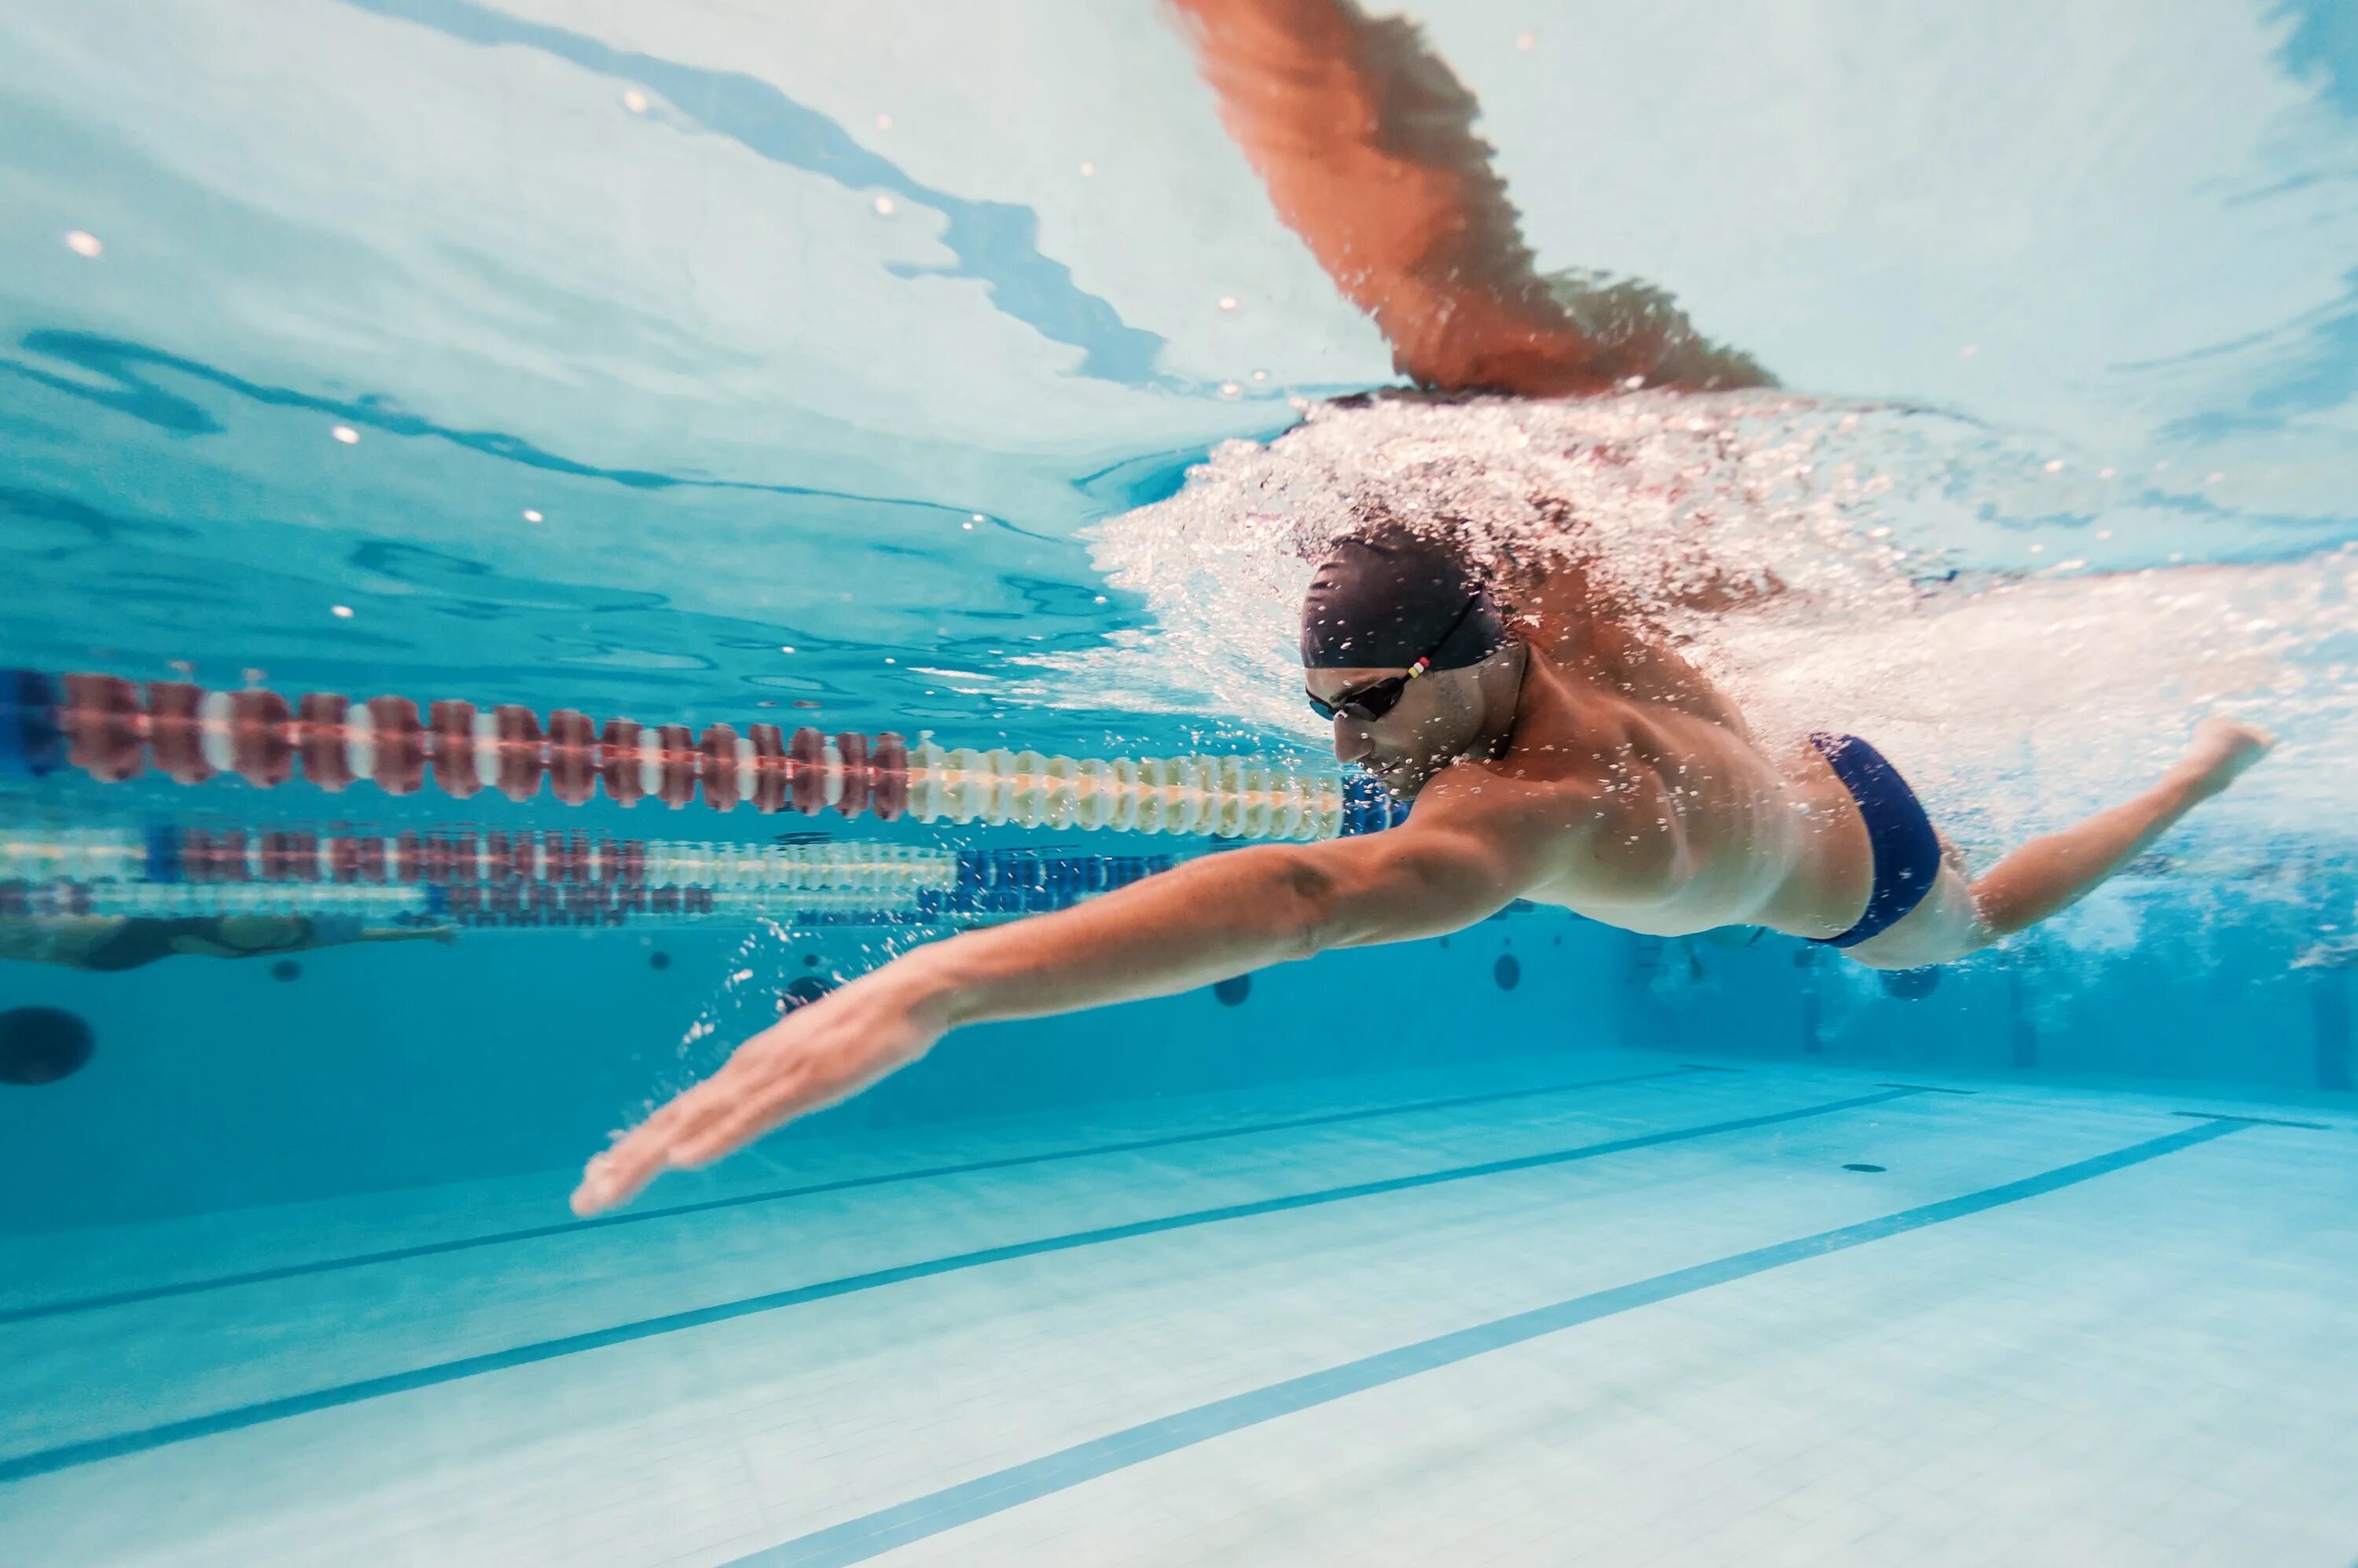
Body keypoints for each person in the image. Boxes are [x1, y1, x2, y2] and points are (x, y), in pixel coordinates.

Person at [572, 523, 2270, 1214]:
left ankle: (2207, 762)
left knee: (1973, 929)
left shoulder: (1515, 809)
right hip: (1807, 767)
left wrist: (944, 978)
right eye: (1323, 711)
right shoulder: (1547, 616)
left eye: (1371, 705)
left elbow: (1306, 899)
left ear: (1462, 659)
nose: (1348, 749)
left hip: (1860, 872)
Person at [0, 912, 454, 972]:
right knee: (17, 943)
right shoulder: (292, 941)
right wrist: (429, 933)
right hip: (120, 957)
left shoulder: (276, 921)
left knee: (16, 929)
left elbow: (363, 936)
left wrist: (428, 933)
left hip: (120, 935)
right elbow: (366, 937)